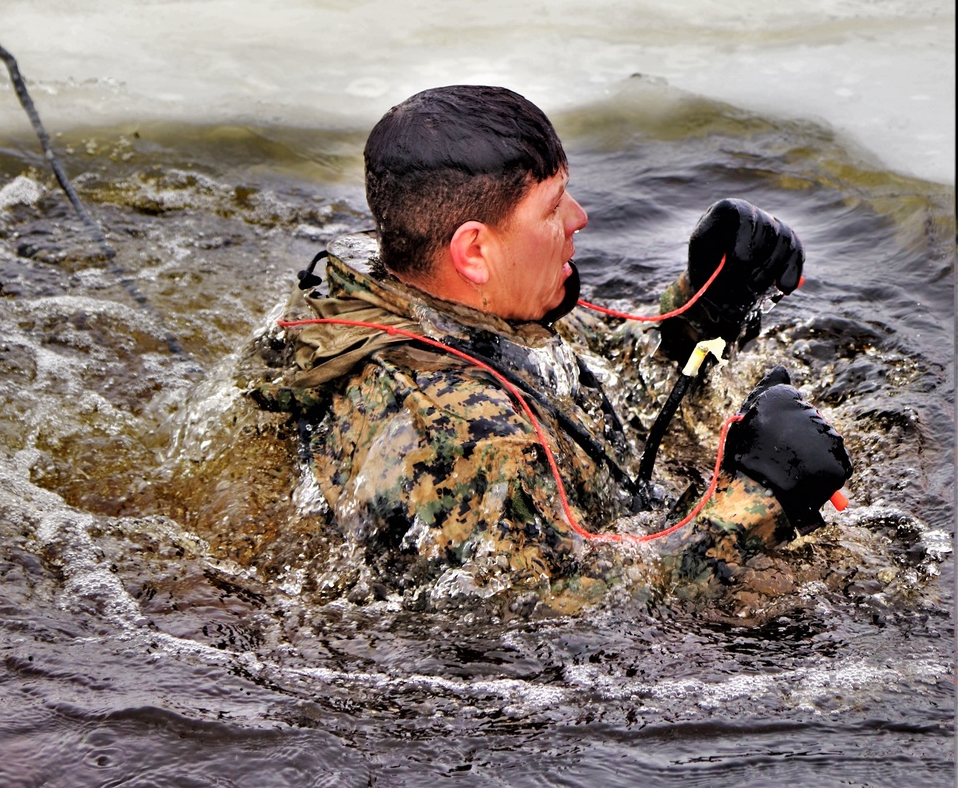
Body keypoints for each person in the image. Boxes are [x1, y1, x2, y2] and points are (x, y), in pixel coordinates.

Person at [248, 86, 851, 611]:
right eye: (553, 204)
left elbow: (589, 384)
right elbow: (582, 603)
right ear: (474, 252)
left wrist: (701, 309)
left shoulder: (414, 292)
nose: (580, 218)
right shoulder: (472, 436)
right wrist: (762, 494)